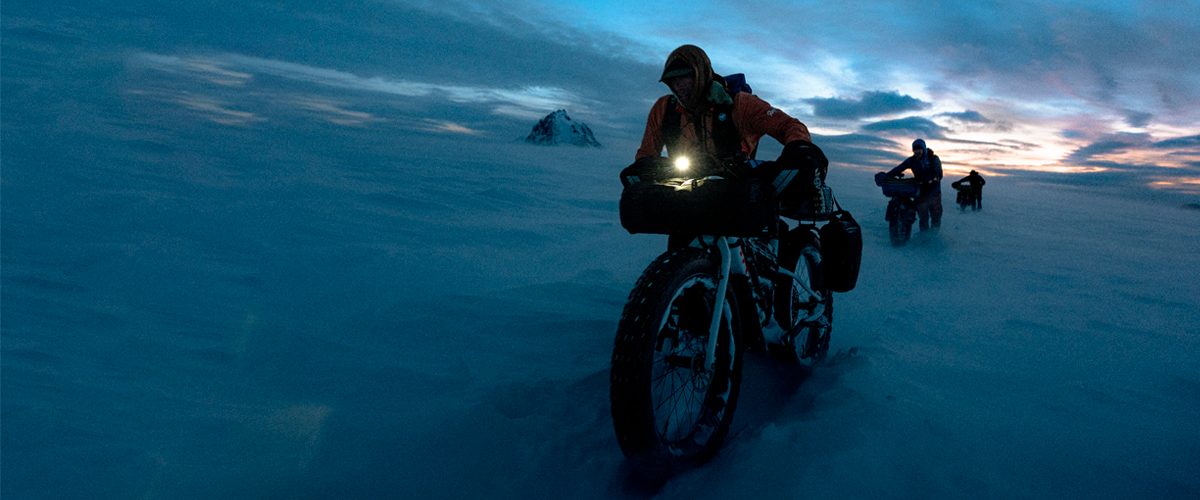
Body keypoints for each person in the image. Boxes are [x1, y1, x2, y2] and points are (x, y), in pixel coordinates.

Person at [633, 44, 819, 194]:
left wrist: (799, 149)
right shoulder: (664, 109)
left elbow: (788, 125)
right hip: (685, 199)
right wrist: (642, 171)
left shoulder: (739, 104)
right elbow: (646, 156)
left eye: (685, 77)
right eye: (673, 81)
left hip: (735, 197)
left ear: (700, 74)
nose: (678, 86)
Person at [886, 139, 943, 232]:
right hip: (920, 191)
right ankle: (924, 237)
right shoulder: (912, 160)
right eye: (915, 149)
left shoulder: (934, 159)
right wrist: (887, 176)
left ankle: (934, 235)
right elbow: (899, 168)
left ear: (923, 149)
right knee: (923, 216)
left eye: (919, 149)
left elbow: (939, 174)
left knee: (936, 215)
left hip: (934, 191)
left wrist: (927, 178)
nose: (917, 152)